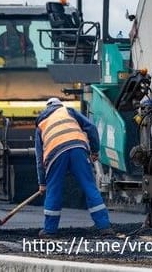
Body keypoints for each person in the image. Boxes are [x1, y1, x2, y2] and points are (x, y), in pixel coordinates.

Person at [35, 97, 114, 238]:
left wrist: (42, 183)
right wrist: (94, 150)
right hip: (78, 148)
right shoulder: (68, 111)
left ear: (47, 108)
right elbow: (91, 127)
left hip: (55, 153)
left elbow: (39, 157)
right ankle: (104, 227)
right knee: (90, 187)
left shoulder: (41, 122)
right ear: (60, 105)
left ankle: (49, 230)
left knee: (54, 190)